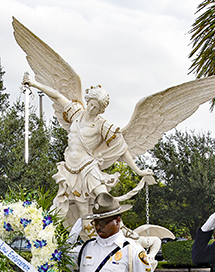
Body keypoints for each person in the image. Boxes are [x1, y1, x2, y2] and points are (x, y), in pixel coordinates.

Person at [22, 73, 155, 227]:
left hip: (88, 169)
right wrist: (34, 84)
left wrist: (138, 171)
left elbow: (122, 148)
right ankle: (67, 239)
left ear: (101, 110)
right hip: (69, 170)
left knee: (104, 199)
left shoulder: (102, 125)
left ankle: (119, 231)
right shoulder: (76, 113)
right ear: (88, 101)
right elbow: (57, 96)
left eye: (96, 107)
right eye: (91, 104)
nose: (91, 108)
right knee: (78, 210)